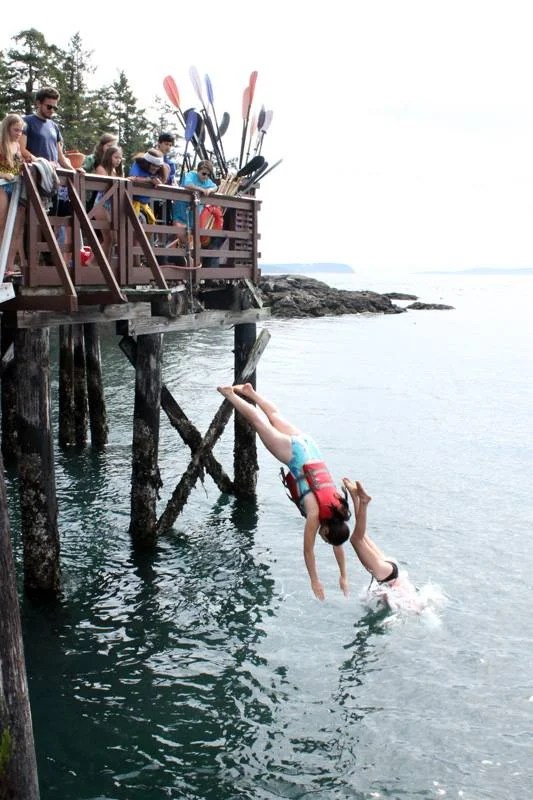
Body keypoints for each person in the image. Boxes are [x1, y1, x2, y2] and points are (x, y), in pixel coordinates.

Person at [217, 383, 351, 600]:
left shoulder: (337, 510)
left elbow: (339, 544)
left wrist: (343, 576)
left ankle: (251, 393)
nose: (323, 539)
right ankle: (230, 394)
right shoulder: (316, 516)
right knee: (259, 422)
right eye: (325, 539)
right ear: (325, 532)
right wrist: (314, 581)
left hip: (309, 447)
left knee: (274, 415)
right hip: (296, 456)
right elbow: (309, 552)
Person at [20, 87, 83, 257]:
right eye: (49, 106)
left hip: (52, 180)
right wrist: (42, 162)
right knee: (31, 223)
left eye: (55, 107)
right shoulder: (26, 122)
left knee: (53, 222)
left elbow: (61, 157)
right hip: (34, 179)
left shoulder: (55, 126)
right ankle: (31, 262)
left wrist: (74, 170)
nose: (52, 110)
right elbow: (22, 149)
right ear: (38, 103)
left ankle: (49, 261)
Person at [343, 478, 423, 613]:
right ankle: (360, 499)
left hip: (389, 567)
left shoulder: (406, 592)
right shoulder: (407, 599)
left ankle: (358, 498)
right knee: (357, 538)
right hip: (386, 573)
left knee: (359, 537)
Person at [0, 113, 26, 276]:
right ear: (7, 128)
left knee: (16, 229)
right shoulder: (1, 143)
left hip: (16, 187)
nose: (18, 134)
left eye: (21, 131)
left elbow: (19, 166)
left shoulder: (17, 146)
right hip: (2, 186)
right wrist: (2, 174)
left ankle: (9, 266)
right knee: (1, 225)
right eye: (16, 130)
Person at [172, 159, 217, 245]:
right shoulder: (192, 175)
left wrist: (210, 189)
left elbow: (215, 187)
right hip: (181, 212)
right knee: (181, 236)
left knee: (192, 239)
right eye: (204, 174)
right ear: (198, 171)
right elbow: (187, 184)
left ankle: (190, 257)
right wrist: (202, 189)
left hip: (194, 216)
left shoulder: (207, 181)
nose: (206, 176)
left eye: (208, 174)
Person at [92, 145, 123, 258]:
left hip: (112, 205)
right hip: (102, 204)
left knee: (112, 240)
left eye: (120, 158)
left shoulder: (116, 171)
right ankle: (93, 262)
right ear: (109, 156)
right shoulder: (101, 167)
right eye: (116, 157)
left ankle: (95, 263)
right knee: (110, 238)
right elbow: (107, 185)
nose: (118, 160)